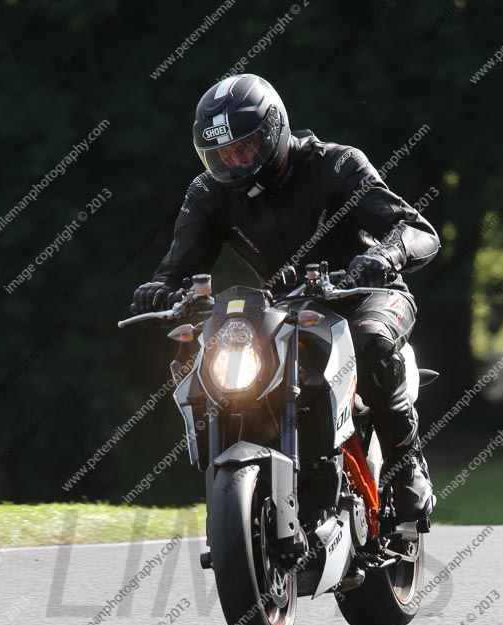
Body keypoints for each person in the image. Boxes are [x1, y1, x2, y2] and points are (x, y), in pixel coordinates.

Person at [131, 74, 440, 524]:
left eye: (245, 148)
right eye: (222, 154)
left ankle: (407, 460)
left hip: (366, 295)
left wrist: (385, 253)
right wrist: (160, 290)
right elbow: (175, 269)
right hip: (288, 307)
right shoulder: (208, 193)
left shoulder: (335, 164)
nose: (234, 162)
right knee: (209, 355)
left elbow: (418, 231)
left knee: (370, 338)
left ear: (275, 130)